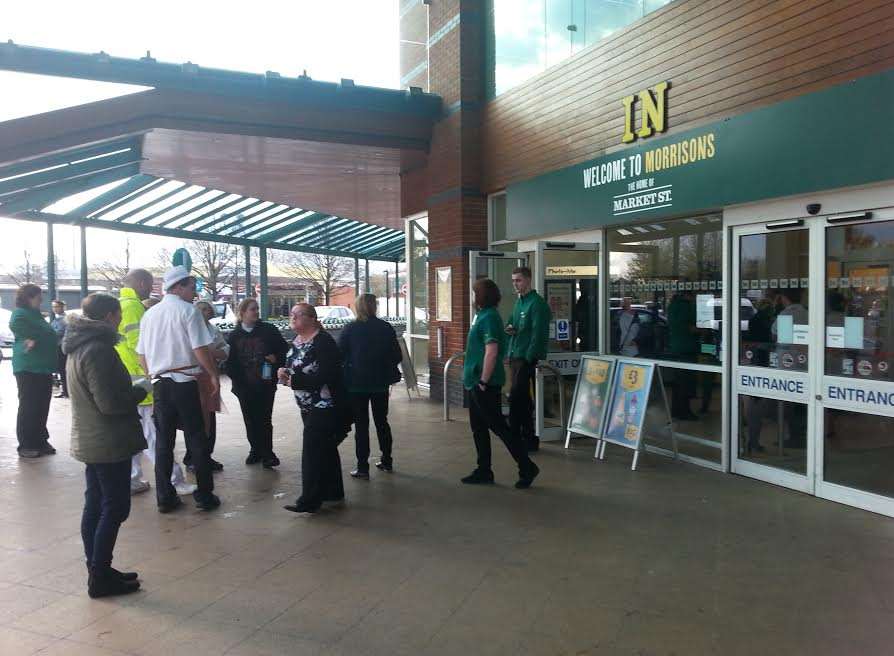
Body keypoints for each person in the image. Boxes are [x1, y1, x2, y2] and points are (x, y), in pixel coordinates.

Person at [64, 293, 148, 598]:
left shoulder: (78, 345)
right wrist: (139, 391)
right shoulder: (98, 350)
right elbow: (110, 404)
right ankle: (99, 576)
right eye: (118, 315)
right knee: (114, 506)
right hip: (108, 441)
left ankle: (98, 569)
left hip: (92, 438)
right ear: (111, 316)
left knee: (96, 504)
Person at [136, 266, 221, 513]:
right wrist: (213, 375)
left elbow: (141, 354)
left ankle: (165, 497)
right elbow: (200, 349)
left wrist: (152, 374)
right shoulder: (188, 312)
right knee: (197, 438)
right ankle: (205, 496)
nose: (195, 293)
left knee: (163, 442)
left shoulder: (150, 315)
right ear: (178, 287)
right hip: (186, 384)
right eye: (192, 287)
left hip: (161, 384)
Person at [117, 269, 193, 497]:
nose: (150, 290)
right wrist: (152, 373)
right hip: (140, 378)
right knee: (154, 434)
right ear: (141, 283)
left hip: (126, 376)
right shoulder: (133, 306)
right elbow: (140, 346)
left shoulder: (121, 303)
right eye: (149, 285)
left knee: (134, 432)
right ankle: (174, 480)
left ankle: (131, 478)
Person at [462, 278, 540, 488]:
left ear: (481, 295)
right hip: (474, 380)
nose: (471, 296)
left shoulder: (489, 318)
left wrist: (483, 382)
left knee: (499, 427)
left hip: (484, 382)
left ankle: (527, 466)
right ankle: (484, 470)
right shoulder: (481, 315)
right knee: (478, 428)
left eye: (473, 292)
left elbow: (492, 351)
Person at [279, 304, 346, 514]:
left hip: (325, 404)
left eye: (297, 315)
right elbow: (295, 365)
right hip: (307, 404)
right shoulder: (298, 341)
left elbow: (327, 375)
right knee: (325, 448)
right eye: (292, 314)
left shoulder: (323, 342)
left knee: (311, 451)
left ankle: (309, 500)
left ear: (311, 318)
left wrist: (295, 380)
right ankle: (333, 491)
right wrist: (284, 372)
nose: (293, 317)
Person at [339, 293, 402, 478]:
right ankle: (387, 460)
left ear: (357, 307)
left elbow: (339, 354)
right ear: (375, 306)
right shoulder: (386, 328)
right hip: (380, 383)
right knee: (382, 422)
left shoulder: (350, 329)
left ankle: (362, 467)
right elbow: (397, 356)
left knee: (361, 425)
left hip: (356, 384)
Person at [226, 298, 289, 468]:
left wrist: (276, 359)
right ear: (242, 313)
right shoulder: (234, 336)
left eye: (257, 309)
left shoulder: (269, 330)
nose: (256, 312)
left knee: (264, 418)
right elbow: (229, 362)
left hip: (265, 384)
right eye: (252, 309)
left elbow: (284, 350)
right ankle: (255, 450)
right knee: (250, 419)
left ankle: (268, 453)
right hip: (244, 386)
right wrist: (237, 381)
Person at [505, 266, 551, 452]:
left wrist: (529, 357)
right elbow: (511, 322)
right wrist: (510, 329)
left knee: (517, 397)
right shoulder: (519, 303)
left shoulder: (537, 303)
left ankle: (520, 434)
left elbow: (538, 334)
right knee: (520, 398)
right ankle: (527, 437)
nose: (516, 284)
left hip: (526, 358)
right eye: (514, 281)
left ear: (528, 280)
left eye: (519, 280)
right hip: (516, 355)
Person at [10, 284, 58, 459]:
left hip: (43, 367)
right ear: (29, 297)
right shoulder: (21, 313)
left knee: (42, 404)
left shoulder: (35, 314)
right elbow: (15, 324)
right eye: (38, 296)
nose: (41, 299)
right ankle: (27, 443)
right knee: (29, 405)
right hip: (28, 367)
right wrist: (30, 337)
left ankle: (40, 440)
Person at [185, 301, 229, 473]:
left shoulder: (213, 331)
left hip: (209, 377)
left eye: (206, 309)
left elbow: (224, 350)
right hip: (193, 377)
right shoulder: (188, 328)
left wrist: (212, 352)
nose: (203, 312)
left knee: (210, 416)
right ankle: (192, 457)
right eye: (200, 309)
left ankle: (206, 455)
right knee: (194, 418)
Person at [49, 300, 69, 398]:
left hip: (61, 347)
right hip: (58, 347)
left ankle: (66, 391)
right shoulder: (56, 319)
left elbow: (59, 332)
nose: (55, 309)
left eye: (57, 306)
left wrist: (50, 332)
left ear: (63, 307)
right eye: (53, 307)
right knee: (61, 370)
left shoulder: (64, 319)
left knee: (63, 370)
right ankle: (65, 390)